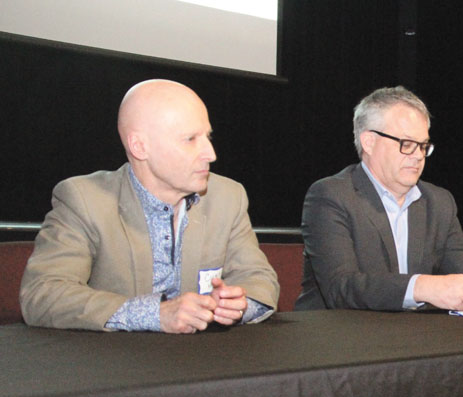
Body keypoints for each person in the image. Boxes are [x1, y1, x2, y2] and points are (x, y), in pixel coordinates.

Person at [19, 79, 279, 333]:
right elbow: (43, 294)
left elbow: (259, 279)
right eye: (190, 139)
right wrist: (154, 314)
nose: (210, 154)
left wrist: (239, 305)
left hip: (202, 365)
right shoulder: (85, 199)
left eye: (207, 137)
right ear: (139, 146)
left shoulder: (228, 196)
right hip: (114, 367)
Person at [295, 86, 463, 311]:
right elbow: (341, 287)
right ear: (369, 142)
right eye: (406, 144)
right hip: (337, 337)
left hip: (409, 337)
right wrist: (420, 286)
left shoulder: (439, 202)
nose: (417, 156)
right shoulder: (331, 196)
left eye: (423, 146)